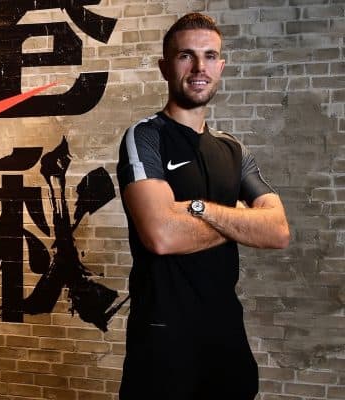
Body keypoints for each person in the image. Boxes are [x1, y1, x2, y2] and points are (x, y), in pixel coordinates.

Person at [116, 12, 290, 400]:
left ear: (221, 66)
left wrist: (196, 208)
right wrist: (241, 221)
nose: (200, 67)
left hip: (226, 334)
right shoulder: (146, 137)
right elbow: (160, 235)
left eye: (210, 56)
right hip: (163, 338)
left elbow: (278, 231)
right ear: (165, 66)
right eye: (186, 56)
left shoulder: (233, 150)